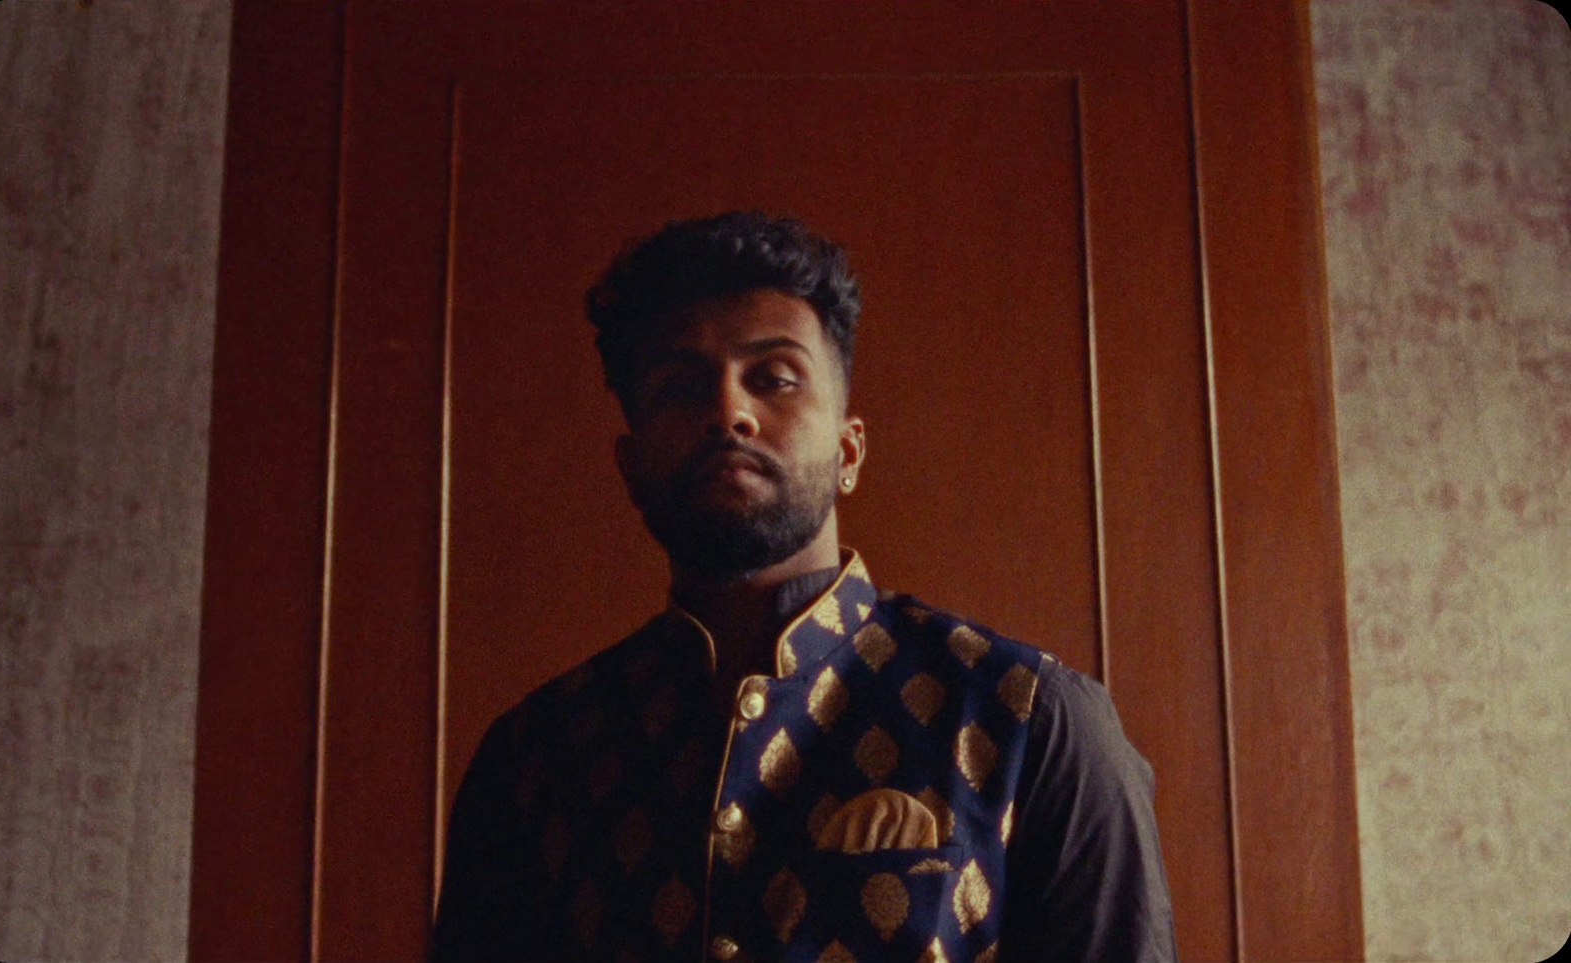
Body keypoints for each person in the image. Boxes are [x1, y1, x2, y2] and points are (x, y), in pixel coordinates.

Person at [430, 211, 1178, 962]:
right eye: (681, 386)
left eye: (773, 378)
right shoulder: (538, 758)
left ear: (849, 448)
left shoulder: (1031, 722)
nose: (729, 411)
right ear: (630, 467)